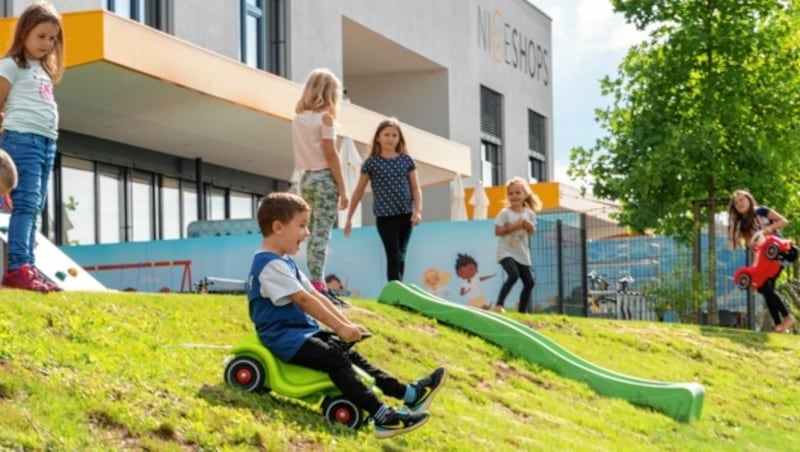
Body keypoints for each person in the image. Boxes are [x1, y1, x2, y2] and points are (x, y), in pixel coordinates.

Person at [247, 192, 446, 438]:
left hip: (299, 333)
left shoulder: (284, 262)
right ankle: (383, 417)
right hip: (283, 337)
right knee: (335, 359)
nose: (307, 232)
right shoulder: (269, 264)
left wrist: (346, 324)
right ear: (278, 227)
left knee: (347, 352)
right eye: (301, 225)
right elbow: (304, 300)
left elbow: (318, 296)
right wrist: (340, 328)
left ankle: (409, 394)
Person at [0, 3, 64, 293]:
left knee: (34, 206)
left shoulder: (42, 69)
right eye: (41, 36)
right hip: (21, 139)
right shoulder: (11, 65)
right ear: (24, 32)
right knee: (25, 204)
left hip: (45, 142)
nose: (47, 43)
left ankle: (28, 266)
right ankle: (17, 268)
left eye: (52, 38)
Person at [292, 68, 349, 303]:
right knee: (321, 234)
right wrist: (343, 189)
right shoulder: (326, 118)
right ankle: (318, 283)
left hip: (306, 178)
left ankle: (314, 280)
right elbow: (331, 153)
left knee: (311, 230)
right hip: (324, 178)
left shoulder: (298, 118)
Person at [343, 118, 422, 282]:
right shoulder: (371, 163)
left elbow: (415, 188)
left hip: (405, 216)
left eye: (394, 135)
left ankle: (399, 290)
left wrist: (418, 211)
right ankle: (394, 290)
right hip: (385, 218)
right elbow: (358, 191)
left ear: (399, 138)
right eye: (386, 134)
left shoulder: (406, 160)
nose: (390, 138)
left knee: (401, 255)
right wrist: (349, 218)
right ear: (378, 137)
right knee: (392, 254)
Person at [727, 189, 796, 333]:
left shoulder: (762, 211)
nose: (740, 203)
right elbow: (753, 246)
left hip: (779, 252)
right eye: (736, 202)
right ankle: (780, 325)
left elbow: (784, 221)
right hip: (763, 258)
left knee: (765, 288)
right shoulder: (743, 225)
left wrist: (768, 229)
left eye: (742, 199)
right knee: (764, 288)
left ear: (749, 199)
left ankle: (787, 318)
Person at [492, 177, 541, 314]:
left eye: (518, 193)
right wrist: (514, 226)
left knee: (529, 282)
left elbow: (532, 232)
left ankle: (522, 312)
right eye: (511, 193)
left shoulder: (530, 214)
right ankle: (498, 305)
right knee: (513, 275)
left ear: (525, 195)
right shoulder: (504, 213)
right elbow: (497, 231)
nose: (514, 196)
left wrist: (529, 226)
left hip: (522, 252)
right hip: (505, 252)